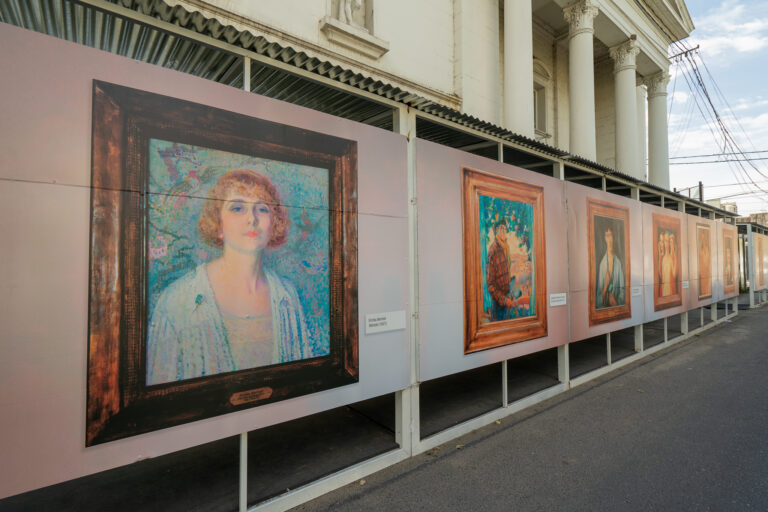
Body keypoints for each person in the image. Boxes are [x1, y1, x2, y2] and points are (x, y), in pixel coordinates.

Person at [146, 169, 312, 385]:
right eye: (237, 208)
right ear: (218, 223)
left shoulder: (286, 295)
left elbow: (302, 379)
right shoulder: (178, 300)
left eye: (262, 209)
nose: (251, 219)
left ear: (274, 224)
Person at [486, 220, 518, 321]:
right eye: (501, 228)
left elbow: (505, 274)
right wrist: (504, 300)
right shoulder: (493, 250)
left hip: (507, 298)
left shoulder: (506, 247)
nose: (503, 230)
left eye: (504, 228)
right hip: (498, 302)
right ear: (496, 230)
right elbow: (490, 285)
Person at [595, 227, 625, 308]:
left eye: (611, 235)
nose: (610, 239)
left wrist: (617, 302)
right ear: (605, 238)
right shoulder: (602, 265)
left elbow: (623, 290)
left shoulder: (618, 263)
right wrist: (605, 288)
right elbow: (597, 302)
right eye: (607, 236)